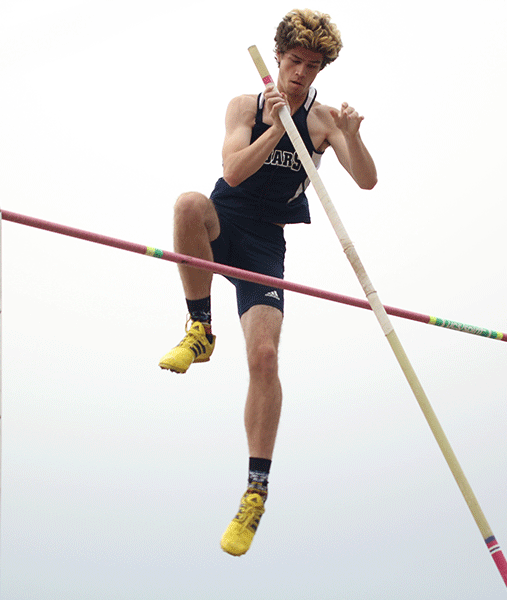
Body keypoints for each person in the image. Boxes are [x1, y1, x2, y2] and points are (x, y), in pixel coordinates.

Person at [159, 8, 377, 556]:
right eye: (294, 61)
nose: (301, 73)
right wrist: (276, 129)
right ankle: (200, 329)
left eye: (312, 66)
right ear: (278, 58)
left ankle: (254, 493)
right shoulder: (246, 106)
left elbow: (368, 181)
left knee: (265, 357)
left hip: (264, 243)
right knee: (187, 204)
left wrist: (350, 135)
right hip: (222, 221)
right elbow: (232, 172)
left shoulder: (322, 121)